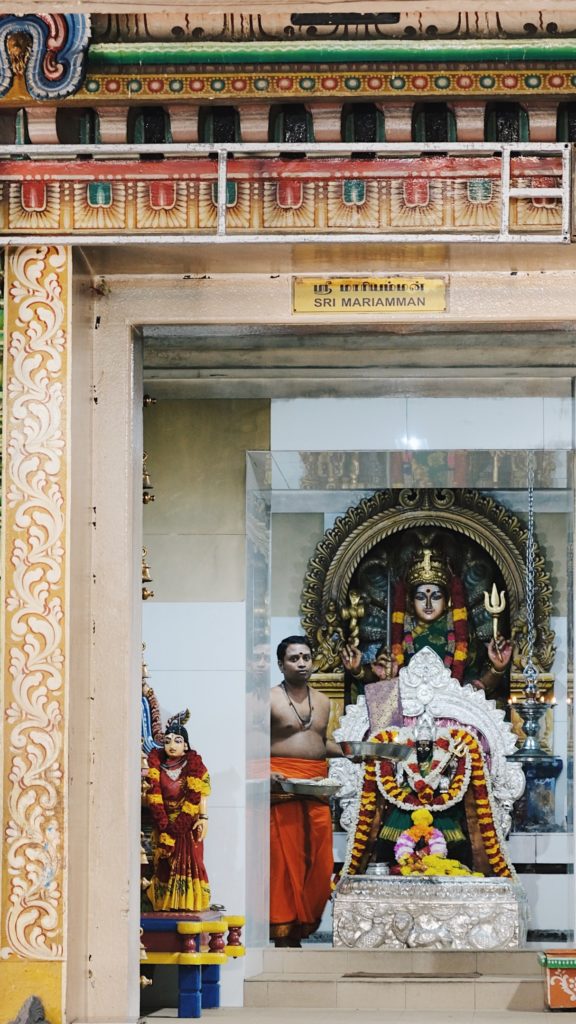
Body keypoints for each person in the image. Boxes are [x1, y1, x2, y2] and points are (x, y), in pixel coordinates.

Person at [341, 547, 512, 697]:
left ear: (447, 601)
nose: (428, 604)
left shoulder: (463, 631)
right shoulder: (399, 631)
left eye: (436, 597)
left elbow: (480, 683)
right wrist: (358, 670)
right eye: (421, 597)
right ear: (410, 601)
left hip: (454, 710)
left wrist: (497, 668)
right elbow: (380, 673)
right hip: (407, 711)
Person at [270, 635, 341, 947]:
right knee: (285, 862)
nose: (301, 663)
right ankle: (285, 931)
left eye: (306, 657)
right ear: (281, 664)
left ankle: (305, 925)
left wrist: (354, 750)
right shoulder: (268, 699)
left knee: (321, 862)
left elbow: (318, 742)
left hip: (316, 786)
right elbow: (249, 740)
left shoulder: (324, 701)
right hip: (281, 788)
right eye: (293, 658)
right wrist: (266, 771)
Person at [146, 720, 211, 912]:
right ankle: (165, 904)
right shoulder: (156, 768)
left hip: (188, 824)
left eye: (177, 740)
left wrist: (203, 818)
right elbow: (151, 794)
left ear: (186, 745)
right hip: (164, 824)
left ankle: (188, 903)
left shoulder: (195, 767)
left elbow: (201, 795)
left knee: (194, 862)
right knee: (164, 865)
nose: (171, 745)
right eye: (167, 741)